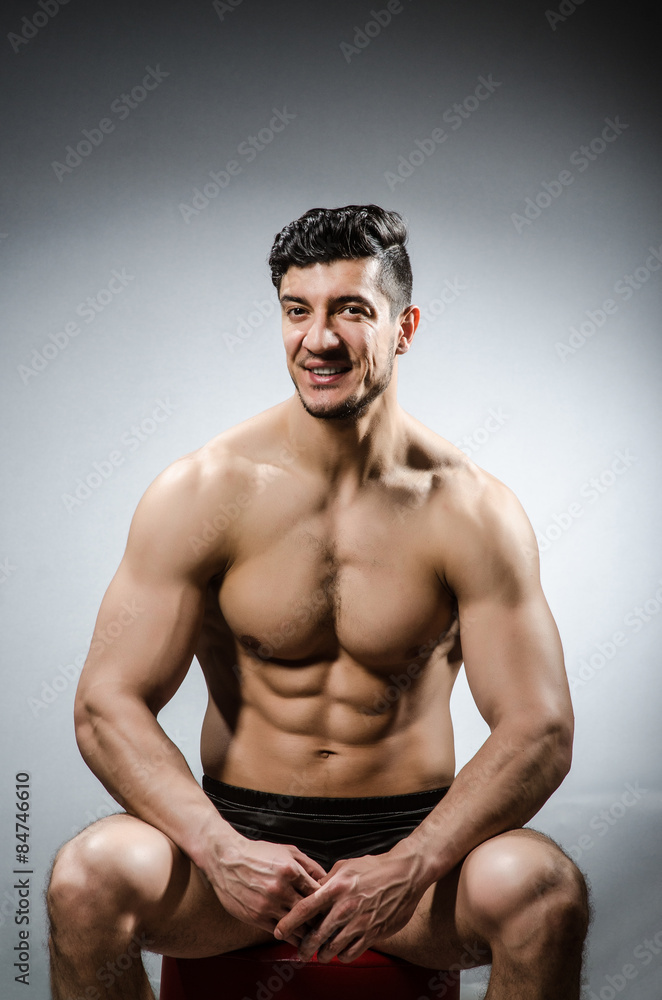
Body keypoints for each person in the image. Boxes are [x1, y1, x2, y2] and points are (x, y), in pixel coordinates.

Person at [47, 204, 589, 999]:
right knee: (83, 878)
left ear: (404, 328)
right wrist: (217, 848)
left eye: (351, 311)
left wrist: (414, 862)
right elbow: (106, 703)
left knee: (545, 892)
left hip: (409, 856)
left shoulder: (472, 511)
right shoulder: (203, 492)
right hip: (238, 855)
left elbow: (539, 728)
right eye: (297, 310)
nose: (319, 339)